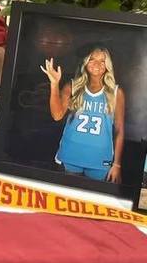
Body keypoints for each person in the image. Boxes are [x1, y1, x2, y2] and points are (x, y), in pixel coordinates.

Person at [41, 48, 125, 183]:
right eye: (92, 59)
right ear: (85, 62)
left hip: (100, 159)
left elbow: (119, 130)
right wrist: (54, 84)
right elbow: (57, 115)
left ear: (108, 65)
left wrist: (117, 164)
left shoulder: (116, 92)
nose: (97, 64)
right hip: (71, 155)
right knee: (67, 200)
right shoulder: (72, 86)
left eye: (102, 61)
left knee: (93, 201)